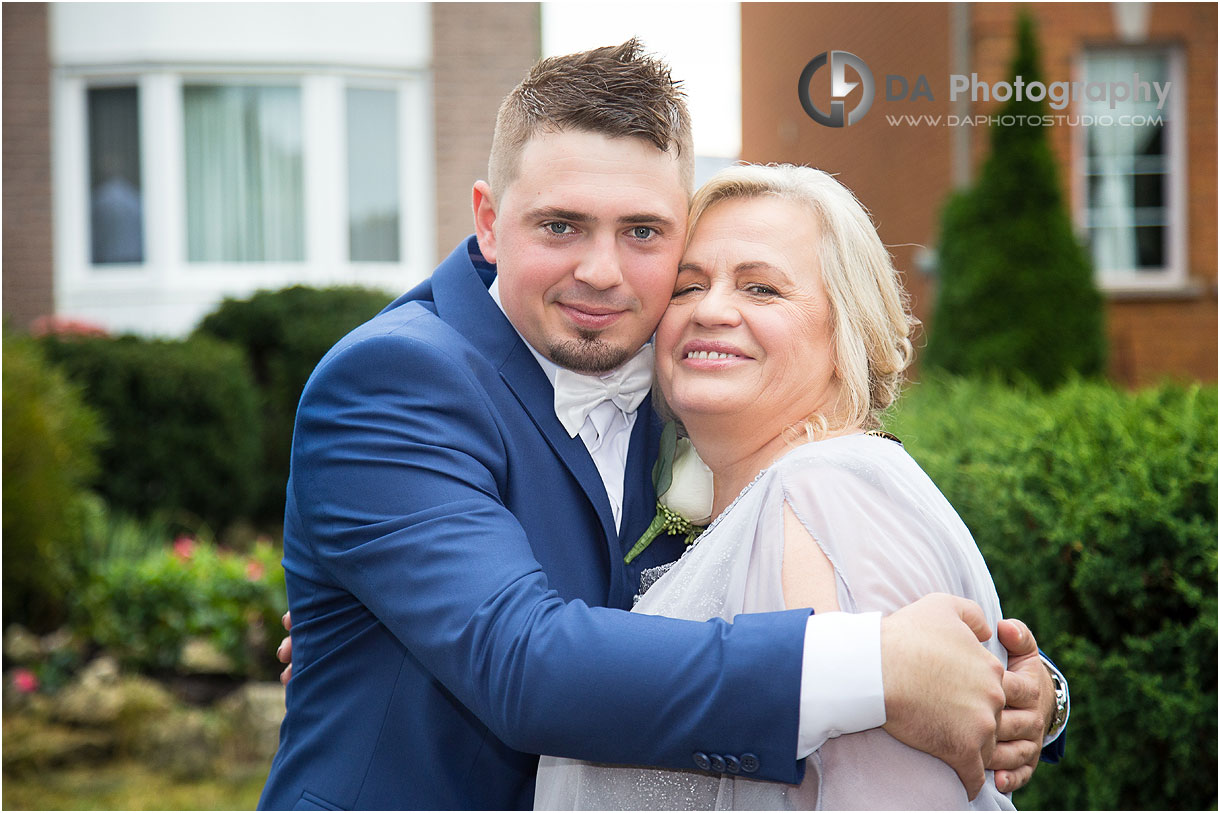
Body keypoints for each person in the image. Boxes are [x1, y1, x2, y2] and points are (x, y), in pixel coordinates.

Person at [260, 41, 1065, 811]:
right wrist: (876, 663)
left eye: (643, 232)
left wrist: (1024, 692)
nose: (602, 271)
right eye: (560, 225)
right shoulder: (393, 380)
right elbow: (524, 663)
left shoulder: (690, 381)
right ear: (487, 219)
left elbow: (838, 564)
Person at [535, 164, 1037, 809]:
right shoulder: (768, 494)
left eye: (762, 289)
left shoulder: (824, 495)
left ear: (848, 328)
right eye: (688, 287)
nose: (712, 310)